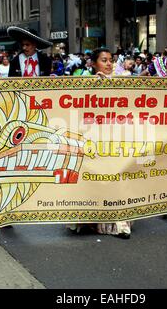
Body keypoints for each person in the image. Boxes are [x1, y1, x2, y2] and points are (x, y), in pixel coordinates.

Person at [67, 48, 131, 239]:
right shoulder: (85, 83)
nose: (109, 64)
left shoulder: (123, 82)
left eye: (111, 60)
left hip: (117, 137)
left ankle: (118, 223)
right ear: (94, 63)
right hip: (94, 138)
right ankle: (87, 219)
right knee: (93, 178)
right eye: (104, 60)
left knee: (116, 177)